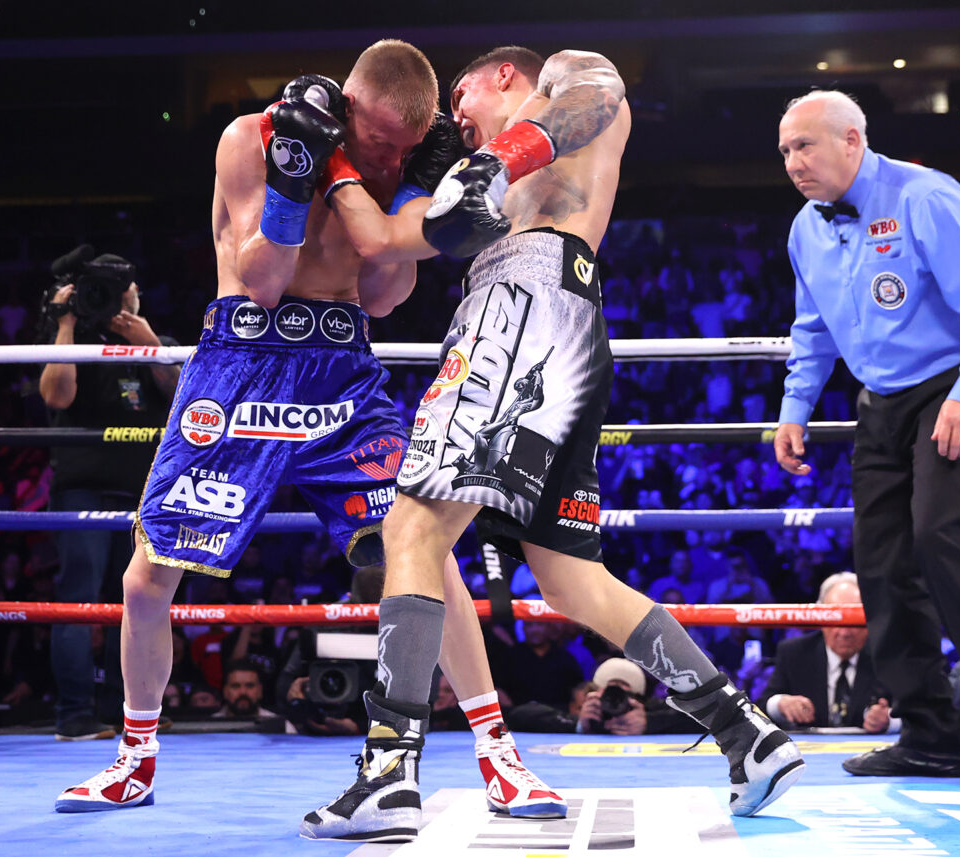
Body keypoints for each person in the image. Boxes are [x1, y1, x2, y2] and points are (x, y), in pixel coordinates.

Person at [303, 45, 803, 843]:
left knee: (411, 527)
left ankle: (388, 771)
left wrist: (492, 161)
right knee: (570, 579)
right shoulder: (488, 172)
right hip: (556, 324)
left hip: (521, 309)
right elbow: (393, 261)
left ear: (504, 75)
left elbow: (601, 91)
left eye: (458, 95)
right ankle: (747, 733)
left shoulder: (562, 92)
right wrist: (356, 172)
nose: (452, 117)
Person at [56, 40, 563, 816]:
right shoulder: (251, 138)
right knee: (149, 574)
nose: (393, 155)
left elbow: (388, 294)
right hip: (241, 363)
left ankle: (500, 757)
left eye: (407, 146)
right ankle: (134, 757)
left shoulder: (406, 162)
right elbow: (259, 281)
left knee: (424, 551)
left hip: (341, 370)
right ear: (351, 108)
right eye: (383, 142)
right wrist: (300, 174)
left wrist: (407, 186)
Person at [773, 89, 960, 780]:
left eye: (805, 145)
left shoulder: (926, 198)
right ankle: (930, 735)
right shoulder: (804, 228)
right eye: (785, 150)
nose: (793, 162)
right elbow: (812, 328)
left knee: (937, 536)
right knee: (878, 564)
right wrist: (794, 408)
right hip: (879, 402)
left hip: (948, 385)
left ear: (852, 140)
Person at [39, 260, 179, 742]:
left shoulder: (155, 342)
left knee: (141, 602)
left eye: (126, 286)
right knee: (78, 598)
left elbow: (191, 399)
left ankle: (132, 713)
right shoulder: (70, 339)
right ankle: (74, 715)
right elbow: (57, 396)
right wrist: (66, 322)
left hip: (146, 492)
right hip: (83, 487)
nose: (121, 294)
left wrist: (151, 344)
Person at [758, 572, 894, 732]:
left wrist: (889, 720)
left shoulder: (888, 654)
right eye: (835, 620)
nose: (844, 633)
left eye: (853, 622)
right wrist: (780, 704)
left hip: (872, 752)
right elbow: (762, 707)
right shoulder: (794, 652)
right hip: (810, 753)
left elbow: (916, 710)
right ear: (820, 617)